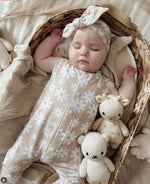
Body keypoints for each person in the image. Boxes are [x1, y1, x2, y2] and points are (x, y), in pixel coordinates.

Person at [0, 6, 136, 184]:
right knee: (12, 161)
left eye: (94, 49)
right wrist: (53, 40)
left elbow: (120, 101)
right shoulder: (62, 66)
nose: (84, 52)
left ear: (105, 54)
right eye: (76, 46)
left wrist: (128, 81)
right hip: (35, 135)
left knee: (76, 178)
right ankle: (7, 179)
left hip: (70, 148)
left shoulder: (104, 84)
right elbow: (40, 60)